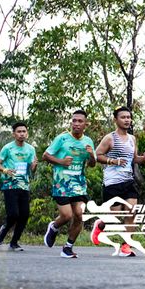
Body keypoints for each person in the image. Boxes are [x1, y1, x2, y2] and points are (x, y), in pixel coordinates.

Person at [91, 106, 145, 257]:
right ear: (116, 120)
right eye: (123, 117)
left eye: (128, 117)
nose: (127, 120)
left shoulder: (132, 139)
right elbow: (97, 155)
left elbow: (133, 159)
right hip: (112, 182)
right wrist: (112, 161)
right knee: (114, 215)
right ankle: (100, 225)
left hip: (128, 180)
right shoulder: (110, 138)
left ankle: (126, 246)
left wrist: (143, 159)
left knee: (132, 211)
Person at [42, 109, 96, 258]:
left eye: (80, 121)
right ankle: (54, 226)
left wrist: (91, 155)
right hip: (62, 183)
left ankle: (68, 247)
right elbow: (45, 155)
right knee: (66, 215)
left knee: (79, 215)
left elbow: (92, 164)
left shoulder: (88, 141)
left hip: (79, 184)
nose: (76, 124)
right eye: (74, 121)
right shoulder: (62, 138)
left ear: (85, 124)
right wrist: (61, 161)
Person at [0, 121, 37, 251]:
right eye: (19, 132)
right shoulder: (8, 148)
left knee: (24, 215)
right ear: (14, 134)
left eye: (24, 131)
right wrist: (5, 170)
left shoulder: (31, 149)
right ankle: (4, 230)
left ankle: (14, 242)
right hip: (10, 184)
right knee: (13, 214)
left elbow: (32, 169)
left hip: (24, 185)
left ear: (27, 133)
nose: (22, 134)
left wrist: (34, 166)